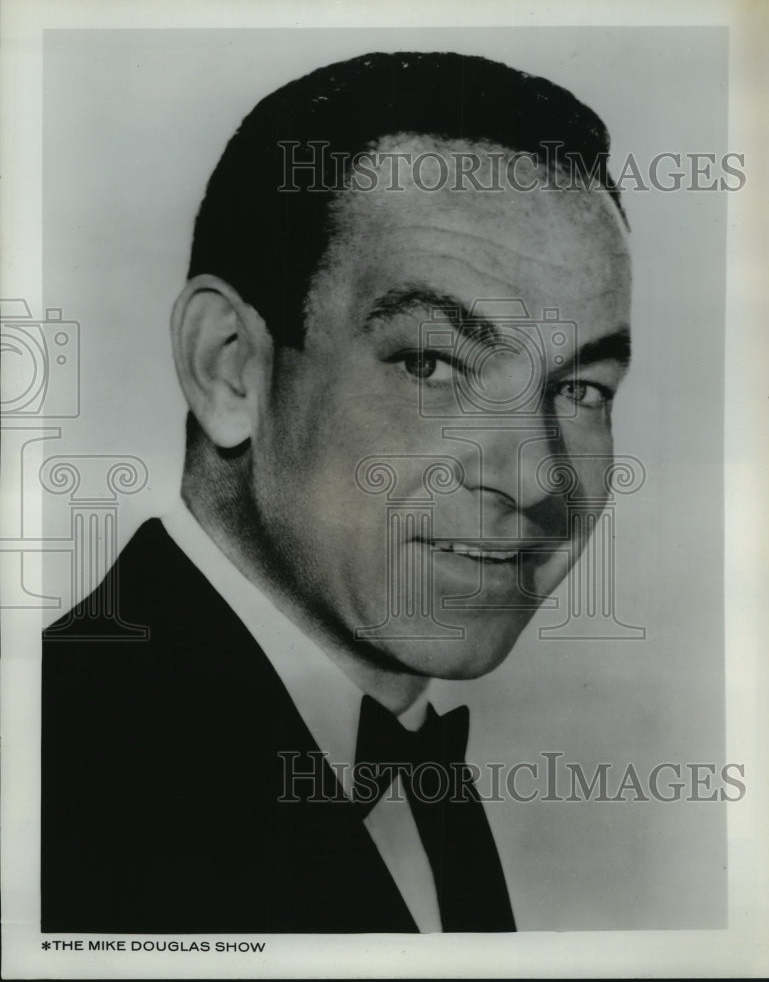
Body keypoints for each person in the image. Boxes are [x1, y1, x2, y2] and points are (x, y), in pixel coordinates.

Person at [41, 51, 632, 933]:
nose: (541, 481)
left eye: (580, 390)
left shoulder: (395, 742)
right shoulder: (56, 773)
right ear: (229, 369)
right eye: (432, 364)